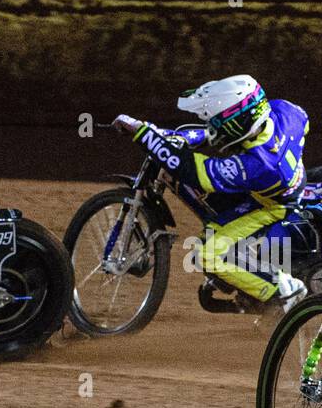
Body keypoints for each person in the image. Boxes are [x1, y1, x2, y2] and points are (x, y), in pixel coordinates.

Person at [112, 75, 308, 310]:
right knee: (214, 224)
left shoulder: (258, 163)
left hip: (273, 207)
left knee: (208, 255)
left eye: (217, 123)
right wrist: (167, 136)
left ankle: (284, 291)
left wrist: (144, 134)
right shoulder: (284, 111)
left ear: (241, 124)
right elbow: (304, 122)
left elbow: (195, 172)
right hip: (278, 188)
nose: (213, 127)